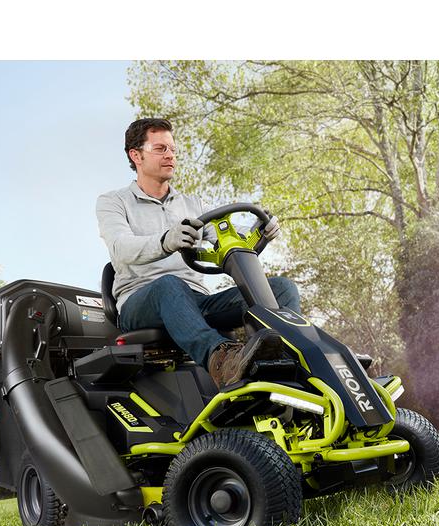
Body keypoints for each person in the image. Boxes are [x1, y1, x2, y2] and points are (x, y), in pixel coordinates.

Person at [96, 118, 301, 388]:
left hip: (197, 302)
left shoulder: (193, 204)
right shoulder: (113, 202)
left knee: (282, 289)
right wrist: (165, 242)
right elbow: (120, 248)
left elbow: (227, 239)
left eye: (172, 149)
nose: (170, 155)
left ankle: (292, 362)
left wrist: (260, 231)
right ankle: (222, 361)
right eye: (160, 149)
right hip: (141, 301)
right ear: (136, 156)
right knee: (169, 285)